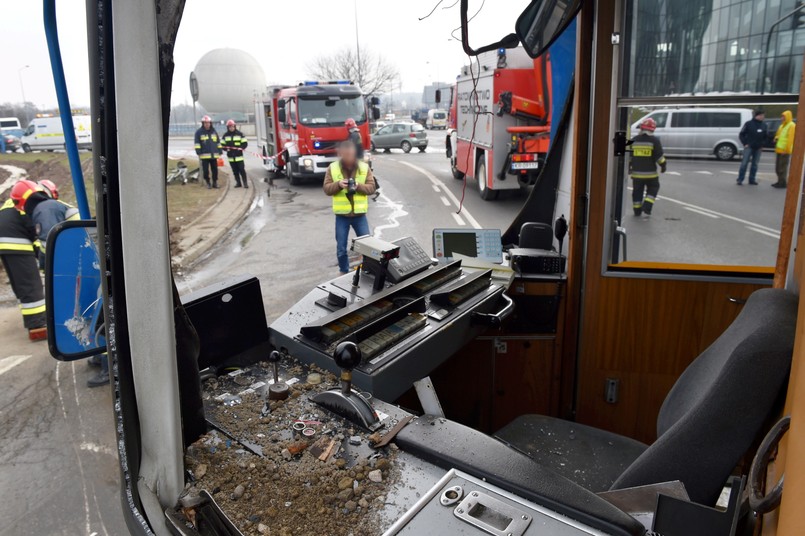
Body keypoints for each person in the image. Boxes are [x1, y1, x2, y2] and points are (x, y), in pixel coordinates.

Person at [1, 184, 47, 340]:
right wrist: (42, 258)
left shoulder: (11, 204)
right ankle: (38, 325)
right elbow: (35, 235)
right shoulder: (26, 208)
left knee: (21, 286)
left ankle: (33, 321)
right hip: (17, 244)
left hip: (6, 245)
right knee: (31, 285)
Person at [323, 140, 376, 274]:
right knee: (341, 248)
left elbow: (371, 188)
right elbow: (327, 189)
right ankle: (343, 271)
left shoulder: (364, 168)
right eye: (345, 153)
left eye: (350, 153)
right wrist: (338, 185)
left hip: (360, 216)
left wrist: (359, 186)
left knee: (367, 247)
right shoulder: (332, 168)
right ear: (341, 153)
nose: (348, 155)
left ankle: (368, 271)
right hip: (342, 216)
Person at [629, 117, 666, 218]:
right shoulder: (655, 141)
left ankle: (637, 210)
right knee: (654, 187)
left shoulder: (633, 140)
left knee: (637, 191)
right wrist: (663, 166)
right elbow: (660, 157)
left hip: (636, 175)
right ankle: (647, 205)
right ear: (652, 129)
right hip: (651, 175)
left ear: (641, 128)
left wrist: (629, 168)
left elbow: (628, 156)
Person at [737, 109, 767, 186]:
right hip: (749, 146)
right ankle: (740, 179)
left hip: (758, 148)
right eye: (760, 115)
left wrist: (762, 145)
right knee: (744, 163)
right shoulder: (748, 124)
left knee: (755, 164)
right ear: (756, 116)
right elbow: (741, 134)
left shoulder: (764, 125)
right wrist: (745, 143)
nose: (762, 117)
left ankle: (752, 179)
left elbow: (766, 136)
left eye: (763, 115)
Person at [194, 115, 222, 189]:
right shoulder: (199, 132)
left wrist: (220, 150)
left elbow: (218, 142)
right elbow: (197, 143)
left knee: (215, 170)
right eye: (205, 123)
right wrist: (198, 151)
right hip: (204, 155)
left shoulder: (214, 131)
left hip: (214, 155)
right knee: (205, 171)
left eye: (208, 123)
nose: (207, 124)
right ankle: (208, 182)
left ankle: (215, 183)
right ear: (203, 123)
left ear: (210, 123)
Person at [220, 119, 249, 188]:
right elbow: (222, 145)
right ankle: (238, 183)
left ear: (234, 126)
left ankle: (245, 183)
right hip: (231, 157)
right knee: (235, 171)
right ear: (228, 127)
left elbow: (245, 143)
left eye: (232, 126)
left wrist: (240, 148)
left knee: (242, 169)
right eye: (230, 127)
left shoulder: (240, 134)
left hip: (239, 156)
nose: (231, 128)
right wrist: (226, 149)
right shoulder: (225, 135)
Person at [772, 110, 796, 189]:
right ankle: (779, 181)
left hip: (784, 151)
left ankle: (782, 182)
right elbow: (778, 135)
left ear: (787, 117)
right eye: (782, 116)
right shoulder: (782, 125)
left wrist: (787, 150)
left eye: (783, 116)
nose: (782, 118)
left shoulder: (792, 125)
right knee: (778, 167)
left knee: (782, 167)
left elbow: (791, 139)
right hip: (779, 149)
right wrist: (776, 138)